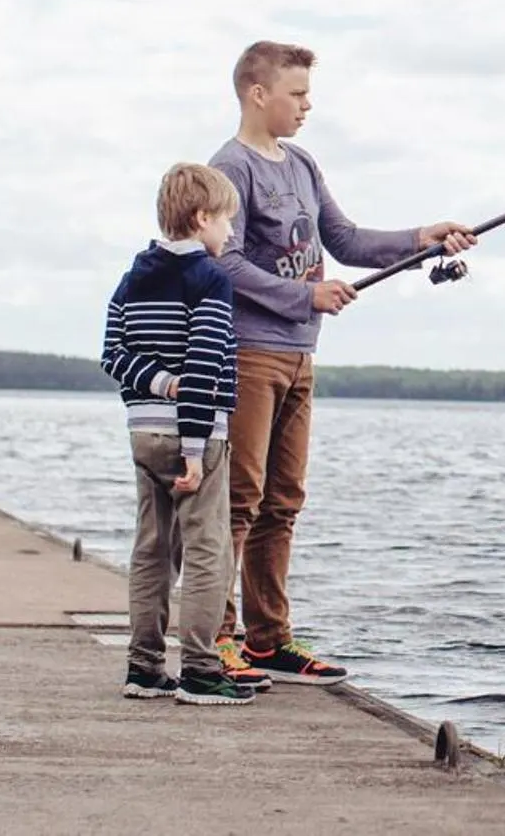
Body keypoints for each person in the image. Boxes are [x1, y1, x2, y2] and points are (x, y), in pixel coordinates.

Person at [209, 40, 475, 687]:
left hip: (301, 355)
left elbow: (347, 240)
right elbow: (225, 262)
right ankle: (215, 639)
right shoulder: (230, 168)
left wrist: (422, 239)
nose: (307, 106)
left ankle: (269, 641)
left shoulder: (302, 163)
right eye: (297, 94)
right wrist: (305, 295)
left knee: (283, 502)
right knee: (239, 500)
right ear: (258, 94)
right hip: (250, 354)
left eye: (308, 94)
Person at [99, 162, 251, 705]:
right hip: (197, 437)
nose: (230, 232)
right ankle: (202, 670)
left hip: (143, 434)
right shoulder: (210, 280)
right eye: (226, 221)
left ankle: (143, 667)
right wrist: (192, 449)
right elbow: (205, 366)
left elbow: (112, 355)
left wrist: (159, 383)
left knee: (152, 549)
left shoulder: (132, 278)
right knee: (209, 549)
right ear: (202, 217)